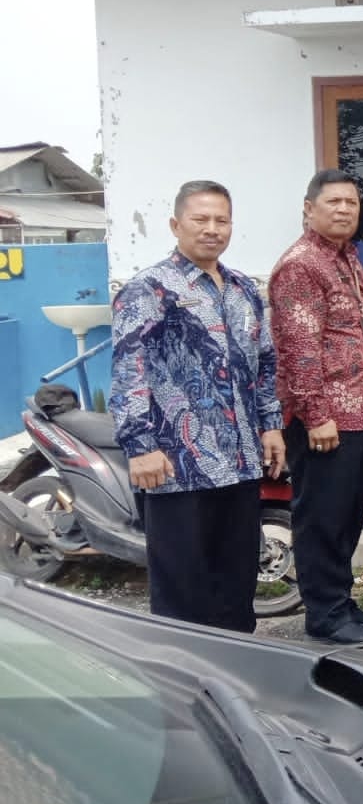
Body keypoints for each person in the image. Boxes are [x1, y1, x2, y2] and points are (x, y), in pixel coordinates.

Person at [109, 180, 284, 634]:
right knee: (183, 593)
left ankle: (236, 666)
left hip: (240, 462)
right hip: (176, 465)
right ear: (175, 225)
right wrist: (140, 446)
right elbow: (129, 370)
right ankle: (181, 673)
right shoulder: (149, 289)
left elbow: (265, 363)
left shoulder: (244, 289)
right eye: (200, 219)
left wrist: (271, 425)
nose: (212, 229)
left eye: (221, 220)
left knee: (236, 584)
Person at [269, 170, 363, 646]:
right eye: (334, 201)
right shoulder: (302, 265)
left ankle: (340, 601)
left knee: (346, 516)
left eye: (351, 203)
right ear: (309, 208)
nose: (344, 209)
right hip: (328, 419)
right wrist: (316, 415)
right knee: (322, 518)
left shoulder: (348, 258)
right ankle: (324, 615)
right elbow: (299, 349)